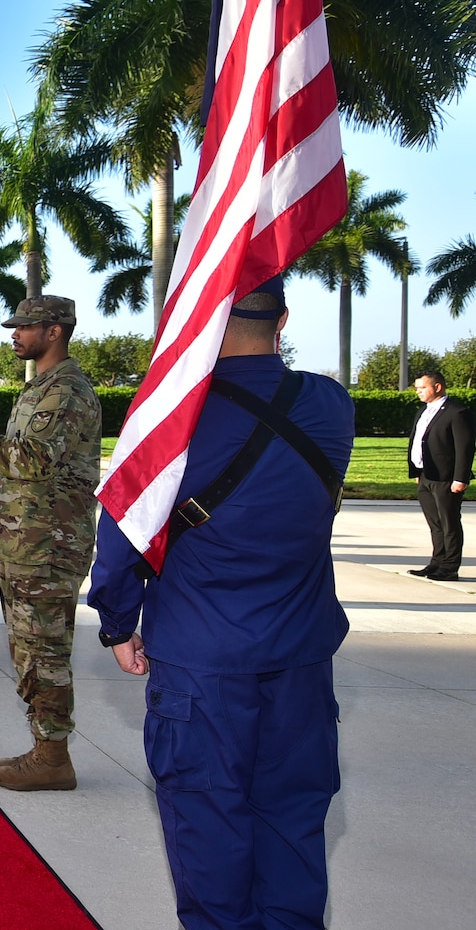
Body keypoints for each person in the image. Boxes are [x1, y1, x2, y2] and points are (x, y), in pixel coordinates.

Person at [87, 279, 353, 930]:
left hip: (202, 663)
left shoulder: (175, 416)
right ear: (282, 319)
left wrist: (118, 624)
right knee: (293, 822)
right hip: (299, 658)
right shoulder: (331, 404)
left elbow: (122, 536)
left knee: (209, 828)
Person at [0, 295, 101, 791]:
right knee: (29, 651)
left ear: (55, 331)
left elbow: (33, 460)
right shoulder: (38, 389)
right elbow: (26, 473)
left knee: (44, 653)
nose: (15, 333)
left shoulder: (66, 390)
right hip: (26, 541)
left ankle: (53, 757)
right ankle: (44, 747)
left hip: (49, 548)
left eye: (26, 326)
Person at [408, 369, 471, 581]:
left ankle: (450, 567)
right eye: (417, 388)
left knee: (449, 523)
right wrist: (417, 470)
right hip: (426, 475)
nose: (419, 392)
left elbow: (465, 448)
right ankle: (437, 562)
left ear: (437, 387)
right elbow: (419, 441)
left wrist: (460, 478)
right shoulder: (423, 411)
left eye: (422, 388)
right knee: (435, 523)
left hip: (446, 478)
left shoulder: (456, 412)